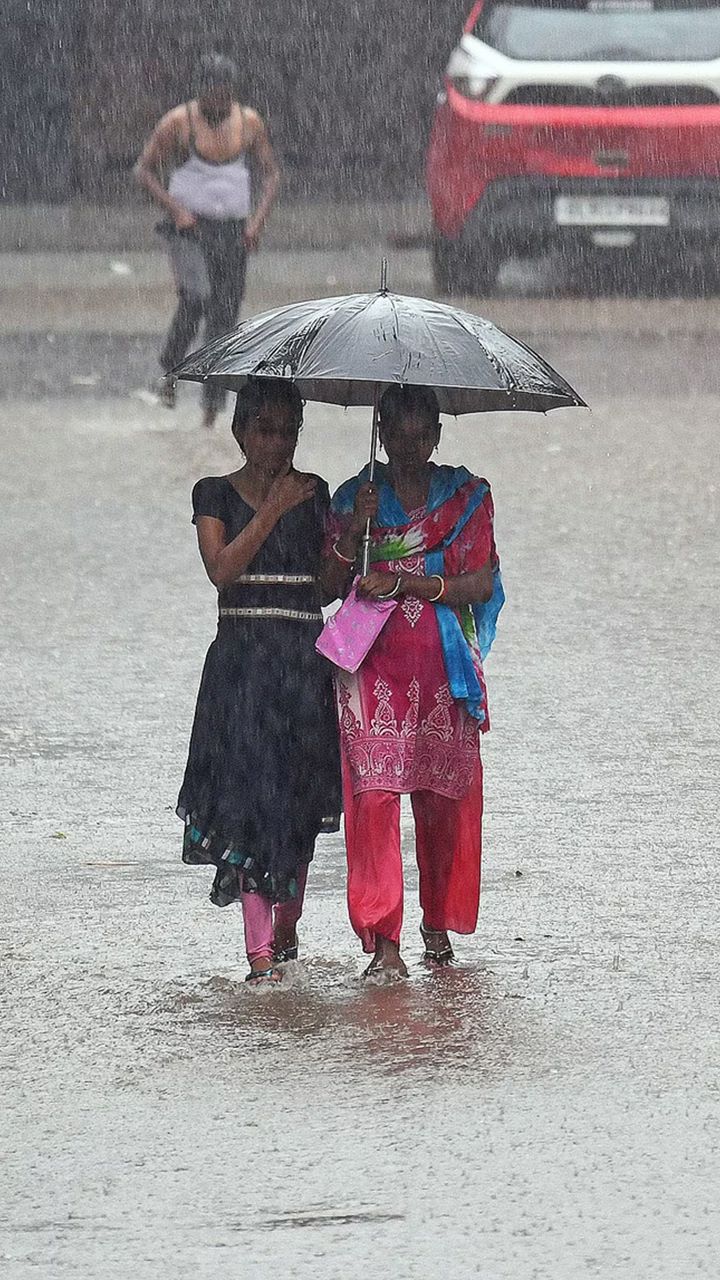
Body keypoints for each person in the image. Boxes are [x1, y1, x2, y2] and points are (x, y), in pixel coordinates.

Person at [321, 384, 503, 978]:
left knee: (444, 800)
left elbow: (479, 583)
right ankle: (384, 941)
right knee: (372, 801)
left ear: (436, 434)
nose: (407, 444)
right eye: (395, 432)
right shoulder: (355, 497)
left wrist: (410, 586)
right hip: (372, 669)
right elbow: (329, 584)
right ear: (380, 434)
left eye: (419, 432)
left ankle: (438, 921)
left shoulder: (468, 498)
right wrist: (355, 536)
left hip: (442, 671)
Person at [177, 378, 341, 985]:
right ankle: (259, 954)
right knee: (248, 801)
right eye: (265, 430)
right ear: (240, 431)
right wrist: (272, 508)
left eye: (288, 431)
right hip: (242, 664)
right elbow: (222, 570)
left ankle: (287, 927)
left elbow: (325, 587)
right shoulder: (214, 494)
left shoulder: (317, 493)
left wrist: (352, 539)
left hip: (301, 659)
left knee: (298, 802)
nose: (277, 444)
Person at [134, 53, 280, 429]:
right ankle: (170, 369)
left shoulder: (248, 122)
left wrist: (256, 222)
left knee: (224, 319)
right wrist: (175, 209)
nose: (219, 103)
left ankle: (210, 414)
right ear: (200, 93)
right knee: (196, 296)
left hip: (234, 231)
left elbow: (271, 174)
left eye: (225, 95)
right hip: (189, 229)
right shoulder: (178, 123)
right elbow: (144, 170)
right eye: (212, 95)